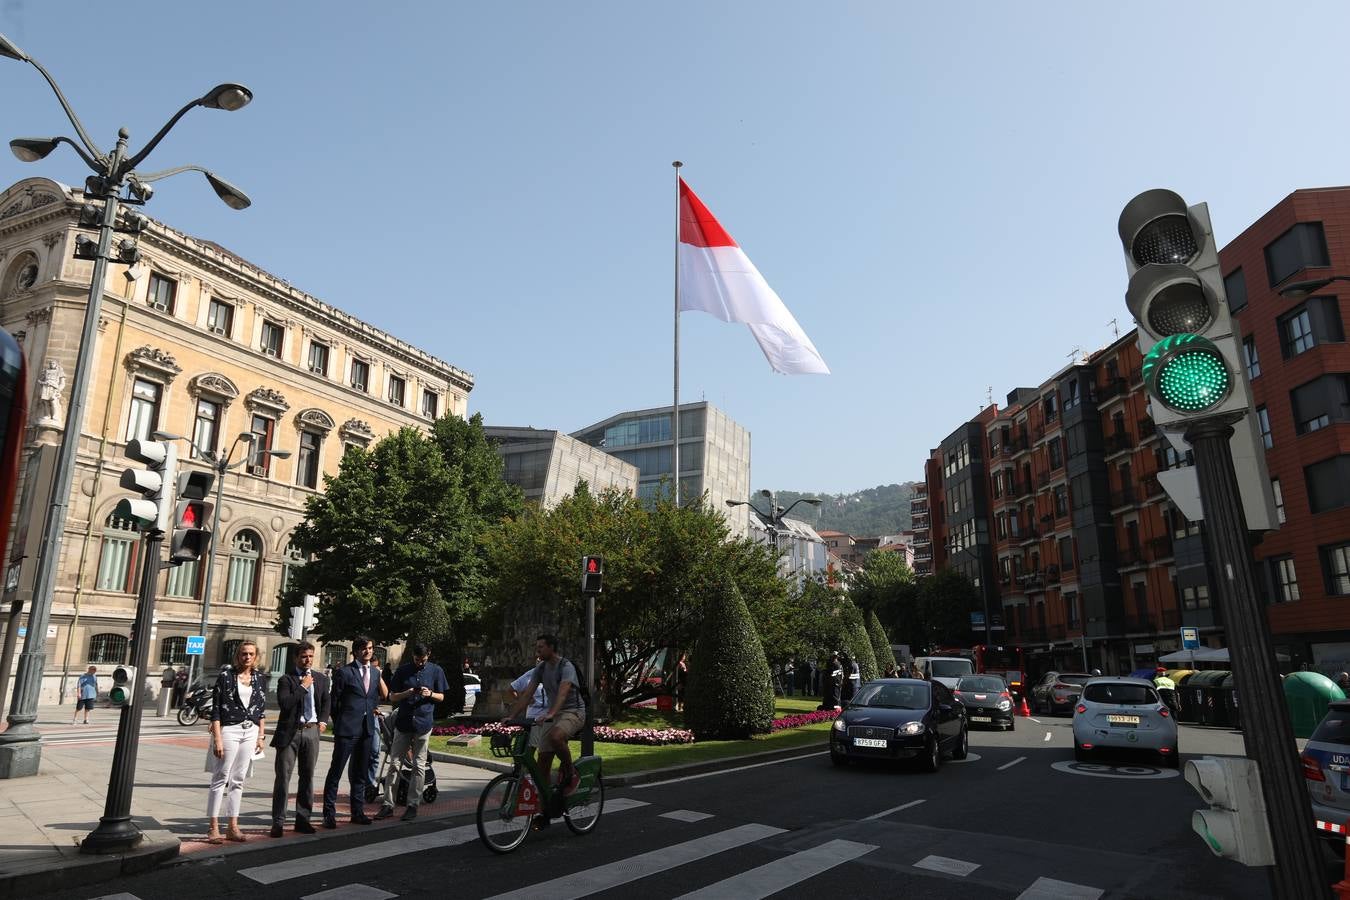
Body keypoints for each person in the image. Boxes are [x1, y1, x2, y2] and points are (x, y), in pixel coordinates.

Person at [504, 634, 586, 803]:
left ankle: (570, 773)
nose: (537, 650)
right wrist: (511, 716)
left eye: (541, 647)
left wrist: (550, 713)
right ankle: (546, 804)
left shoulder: (566, 666)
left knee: (556, 737)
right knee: (542, 763)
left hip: (573, 711)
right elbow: (526, 695)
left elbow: (563, 694)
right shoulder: (540, 669)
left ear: (551, 648)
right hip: (552, 713)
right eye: (537, 646)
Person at [376, 643, 449, 822]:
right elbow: (392, 696)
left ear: (428, 655)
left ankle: (412, 804)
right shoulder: (403, 671)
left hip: (423, 722)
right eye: (417, 660)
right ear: (413, 657)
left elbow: (442, 696)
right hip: (404, 722)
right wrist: (407, 693)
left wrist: (430, 694)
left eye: (423, 660)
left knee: (418, 764)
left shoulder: (436, 670)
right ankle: (388, 804)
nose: (420, 663)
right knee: (394, 763)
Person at [206, 640, 267, 844]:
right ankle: (213, 827)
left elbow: (261, 709)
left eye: (251, 654)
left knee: (238, 779)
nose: (247, 657)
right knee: (221, 776)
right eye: (243, 654)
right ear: (237, 656)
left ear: (256, 656)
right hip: (229, 729)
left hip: (250, 731)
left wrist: (261, 736)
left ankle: (233, 825)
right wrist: (218, 738)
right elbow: (215, 709)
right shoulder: (226, 676)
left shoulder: (259, 678)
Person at [322, 637, 387, 829]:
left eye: (370, 648)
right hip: (347, 729)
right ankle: (329, 814)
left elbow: (375, 696)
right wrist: (340, 722)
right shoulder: (344, 672)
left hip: (367, 728)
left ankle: (357, 812)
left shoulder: (375, 673)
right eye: (364, 649)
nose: (368, 652)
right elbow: (335, 701)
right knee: (336, 771)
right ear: (356, 652)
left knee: (360, 773)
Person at [270, 640, 330, 837]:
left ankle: (303, 819)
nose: (308, 660)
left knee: (307, 777)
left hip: (312, 731)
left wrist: (322, 721)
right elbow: (285, 704)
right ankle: (278, 821)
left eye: (311, 656)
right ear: (296, 658)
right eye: (304, 656)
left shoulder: (320, 679)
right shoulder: (286, 680)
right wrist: (303, 687)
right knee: (283, 778)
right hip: (290, 732)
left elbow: (325, 701)